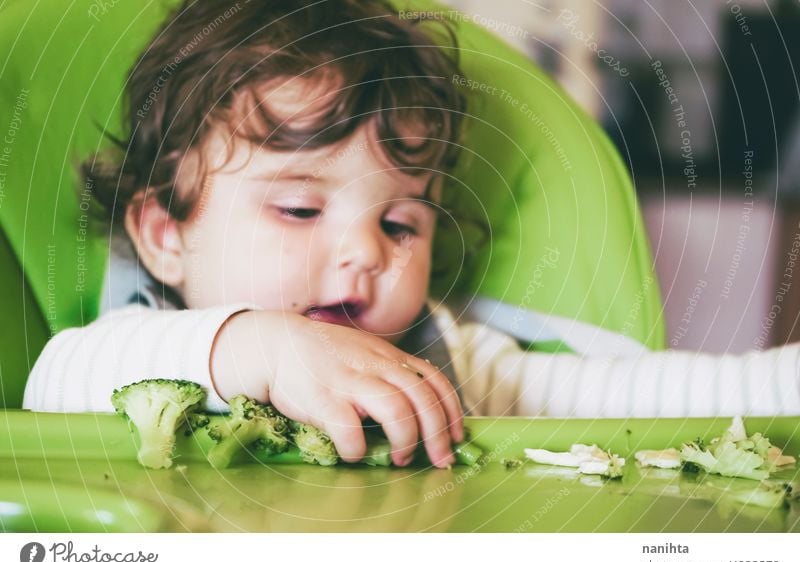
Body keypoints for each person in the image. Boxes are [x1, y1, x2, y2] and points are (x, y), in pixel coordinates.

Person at [24, 0, 800, 470]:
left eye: (399, 221)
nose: (367, 252)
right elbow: (53, 383)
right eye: (298, 210)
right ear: (165, 234)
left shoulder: (443, 358)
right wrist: (258, 346)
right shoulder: (145, 343)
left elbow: (639, 400)